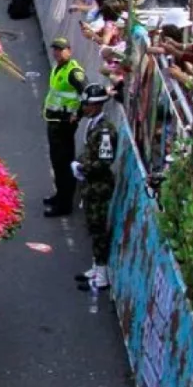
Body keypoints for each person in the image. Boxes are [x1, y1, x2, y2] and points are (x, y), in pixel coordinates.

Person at [72, 84, 115, 291]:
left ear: (97, 106)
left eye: (88, 104)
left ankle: (102, 274)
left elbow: (105, 161)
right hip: (91, 184)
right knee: (92, 226)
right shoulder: (93, 125)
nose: (85, 108)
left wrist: (83, 167)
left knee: (98, 229)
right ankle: (96, 267)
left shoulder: (105, 131)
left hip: (99, 186)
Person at [43, 37, 86, 217]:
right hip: (54, 121)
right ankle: (60, 195)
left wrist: (78, 114)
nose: (57, 52)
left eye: (60, 50)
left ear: (69, 50)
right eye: (55, 49)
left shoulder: (73, 72)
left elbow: (86, 93)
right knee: (56, 162)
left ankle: (64, 204)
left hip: (64, 124)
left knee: (63, 164)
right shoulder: (58, 67)